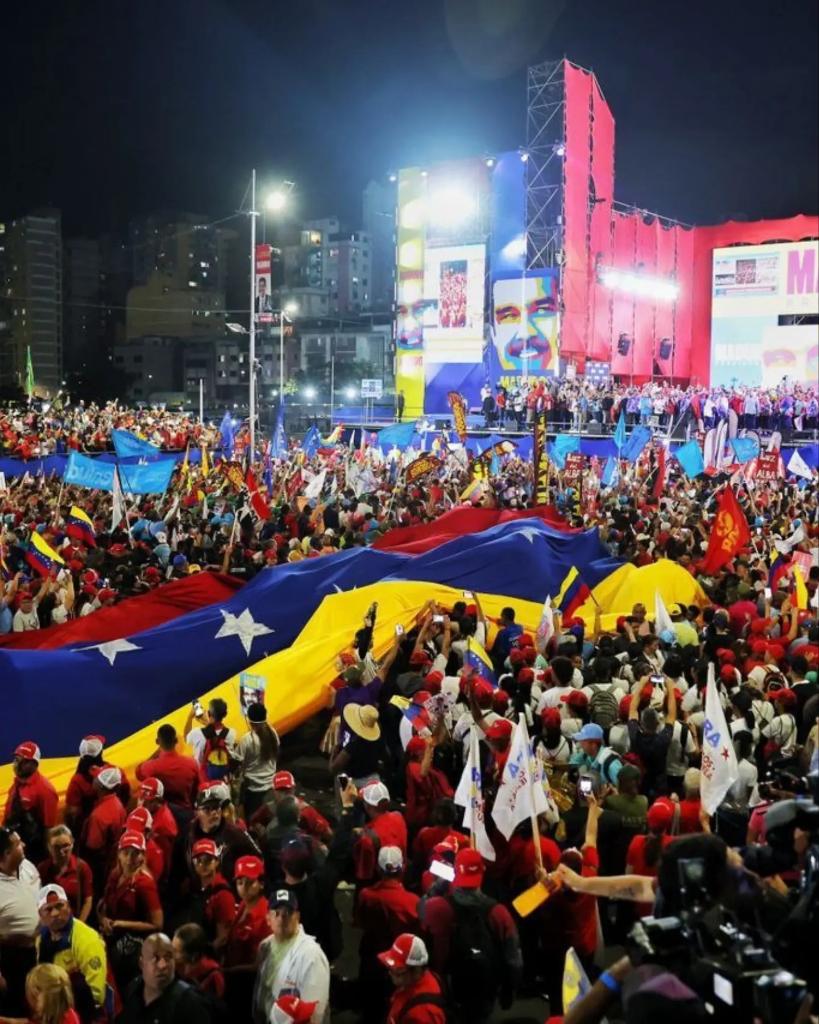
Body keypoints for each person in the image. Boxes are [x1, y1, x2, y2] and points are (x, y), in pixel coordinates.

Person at [419, 848, 521, 1024]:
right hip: (484, 990)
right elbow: (514, 959)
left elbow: (420, 909)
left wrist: (438, 887)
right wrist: (509, 992)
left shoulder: (436, 907)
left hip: (447, 987)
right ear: (482, 873)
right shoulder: (499, 913)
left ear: (456, 873)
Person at [356, 847, 419, 1024]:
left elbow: (360, 922)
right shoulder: (413, 901)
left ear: (377, 868)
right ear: (403, 868)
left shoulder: (366, 895)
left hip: (371, 957)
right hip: (400, 963)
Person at [97, 831, 163, 993]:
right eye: (126, 853)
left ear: (142, 856)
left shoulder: (144, 884)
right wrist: (103, 919)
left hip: (132, 948)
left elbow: (157, 924)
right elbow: (103, 904)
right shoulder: (115, 875)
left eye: (135, 854)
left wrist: (122, 924)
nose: (129, 859)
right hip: (112, 937)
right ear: (119, 854)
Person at [35, 883, 110, 1023]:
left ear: (68, 907)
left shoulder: (87, 939)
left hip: (85, 1014)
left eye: (59, 906)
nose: (55, 913)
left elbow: (96, 994)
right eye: (48, 909)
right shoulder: (41, 939)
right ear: (40, 915)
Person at [252, 890, 329, 1024]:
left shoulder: (312, 955)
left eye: (287, 912)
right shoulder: (265, 946)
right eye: (276, 913)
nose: (281, 918)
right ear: (268, 919)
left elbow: (315, 1013)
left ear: (297, 917)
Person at [116, 932, 212, 1023]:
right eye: (155, 958)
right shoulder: (132, 990)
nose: (162, 965)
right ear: (141, 963)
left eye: (168, 957)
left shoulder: (189, 1002)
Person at [222, 856, 269, 1017]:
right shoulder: (243, 904)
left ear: (261, 884)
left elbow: (258, 965)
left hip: (248, 985)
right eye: (240, 882)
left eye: (250, 882)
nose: (244, 887)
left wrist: (226, 971)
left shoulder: (265, 917)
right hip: (233, 978)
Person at [0, 828, 40, 1016]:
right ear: (7, 853)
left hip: (40, 951)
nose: (23, 845)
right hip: (11, 961)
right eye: (18, 844)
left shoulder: (28, 867)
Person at [3, 744, 58, 867]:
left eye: (22, 760)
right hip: (11, 843)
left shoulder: (45, 790)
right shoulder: (17, 782)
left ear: (34, 764)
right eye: (16, 759)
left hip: (31, 851)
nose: (16, 763)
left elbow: (49, 827)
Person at [377, 934, 446, 1024]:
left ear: (417, 970)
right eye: (390, 967)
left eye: (398, 969)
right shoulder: (415, 980)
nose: (390, 973)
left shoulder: (423, 1014)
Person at [135, 726, 199, 811]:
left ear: (157, 741)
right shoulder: (192, 764)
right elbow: (196, 790)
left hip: (161, 814)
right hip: (186, 814)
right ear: (176, 741)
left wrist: (156, 753)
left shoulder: (151, 767)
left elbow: (138, 773)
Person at [35, 831, 92, 926]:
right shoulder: (43, 868)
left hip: (74, 922)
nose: (62, 852)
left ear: (72, 844)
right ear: (49, 847)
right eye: (56, 847)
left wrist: (79, 925)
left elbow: (88, 900)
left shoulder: (81, 867)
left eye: (66, 846)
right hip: (50, 925)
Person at [234, 704, 279, 819]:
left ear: (249, 720)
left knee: (254, 822)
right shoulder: (273, 733)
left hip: (253, 791)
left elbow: (236, 762)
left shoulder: (247, 739)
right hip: (271, 788)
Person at [184, 700, 237, 785]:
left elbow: (186, 737)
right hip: (223, 779)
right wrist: (208, 723)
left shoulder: (197, 733)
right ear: (225, 714)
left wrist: (190, 717)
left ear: (209, 714)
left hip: (204, 780)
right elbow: (217, 734)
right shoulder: (231, 733)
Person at [171, 923, 225, 1003]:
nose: (170, 954)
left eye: (176, 951)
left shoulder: (213, 976)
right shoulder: (174, 968)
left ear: (193, 956)